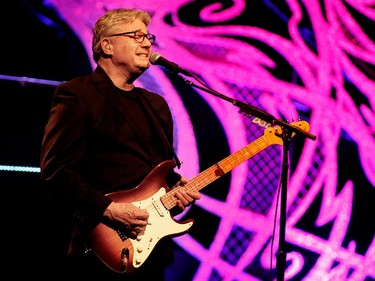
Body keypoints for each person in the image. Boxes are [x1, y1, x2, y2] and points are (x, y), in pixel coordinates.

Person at [40, 8, 201, 280]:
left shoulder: (156, 105)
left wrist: (178, 195)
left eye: (148, 36)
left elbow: (162, 178)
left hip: (152, 251)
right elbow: (56, 173)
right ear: (107, 45)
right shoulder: (76, 95)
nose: (148, 43)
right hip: (100, 247)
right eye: (137, 36)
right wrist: (110, 209)